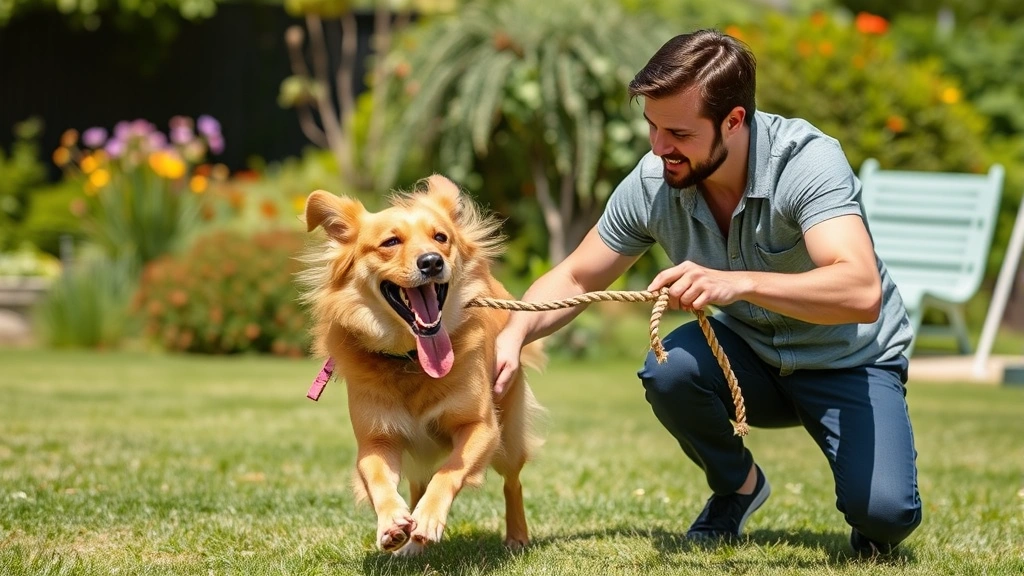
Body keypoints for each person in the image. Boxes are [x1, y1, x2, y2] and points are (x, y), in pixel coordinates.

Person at [492, 29, 922, 557]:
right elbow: (578, 278)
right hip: (749, 359)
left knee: (885, 515)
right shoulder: (655, 181)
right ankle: (737, 486)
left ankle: (869, 511)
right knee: (668, 368)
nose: (658, 147)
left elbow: (859, 289)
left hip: (848, 360)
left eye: (677, 132)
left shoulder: (806, 163)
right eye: (651, 125)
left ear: (734, 121)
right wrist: (513, 334)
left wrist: (736, 282)